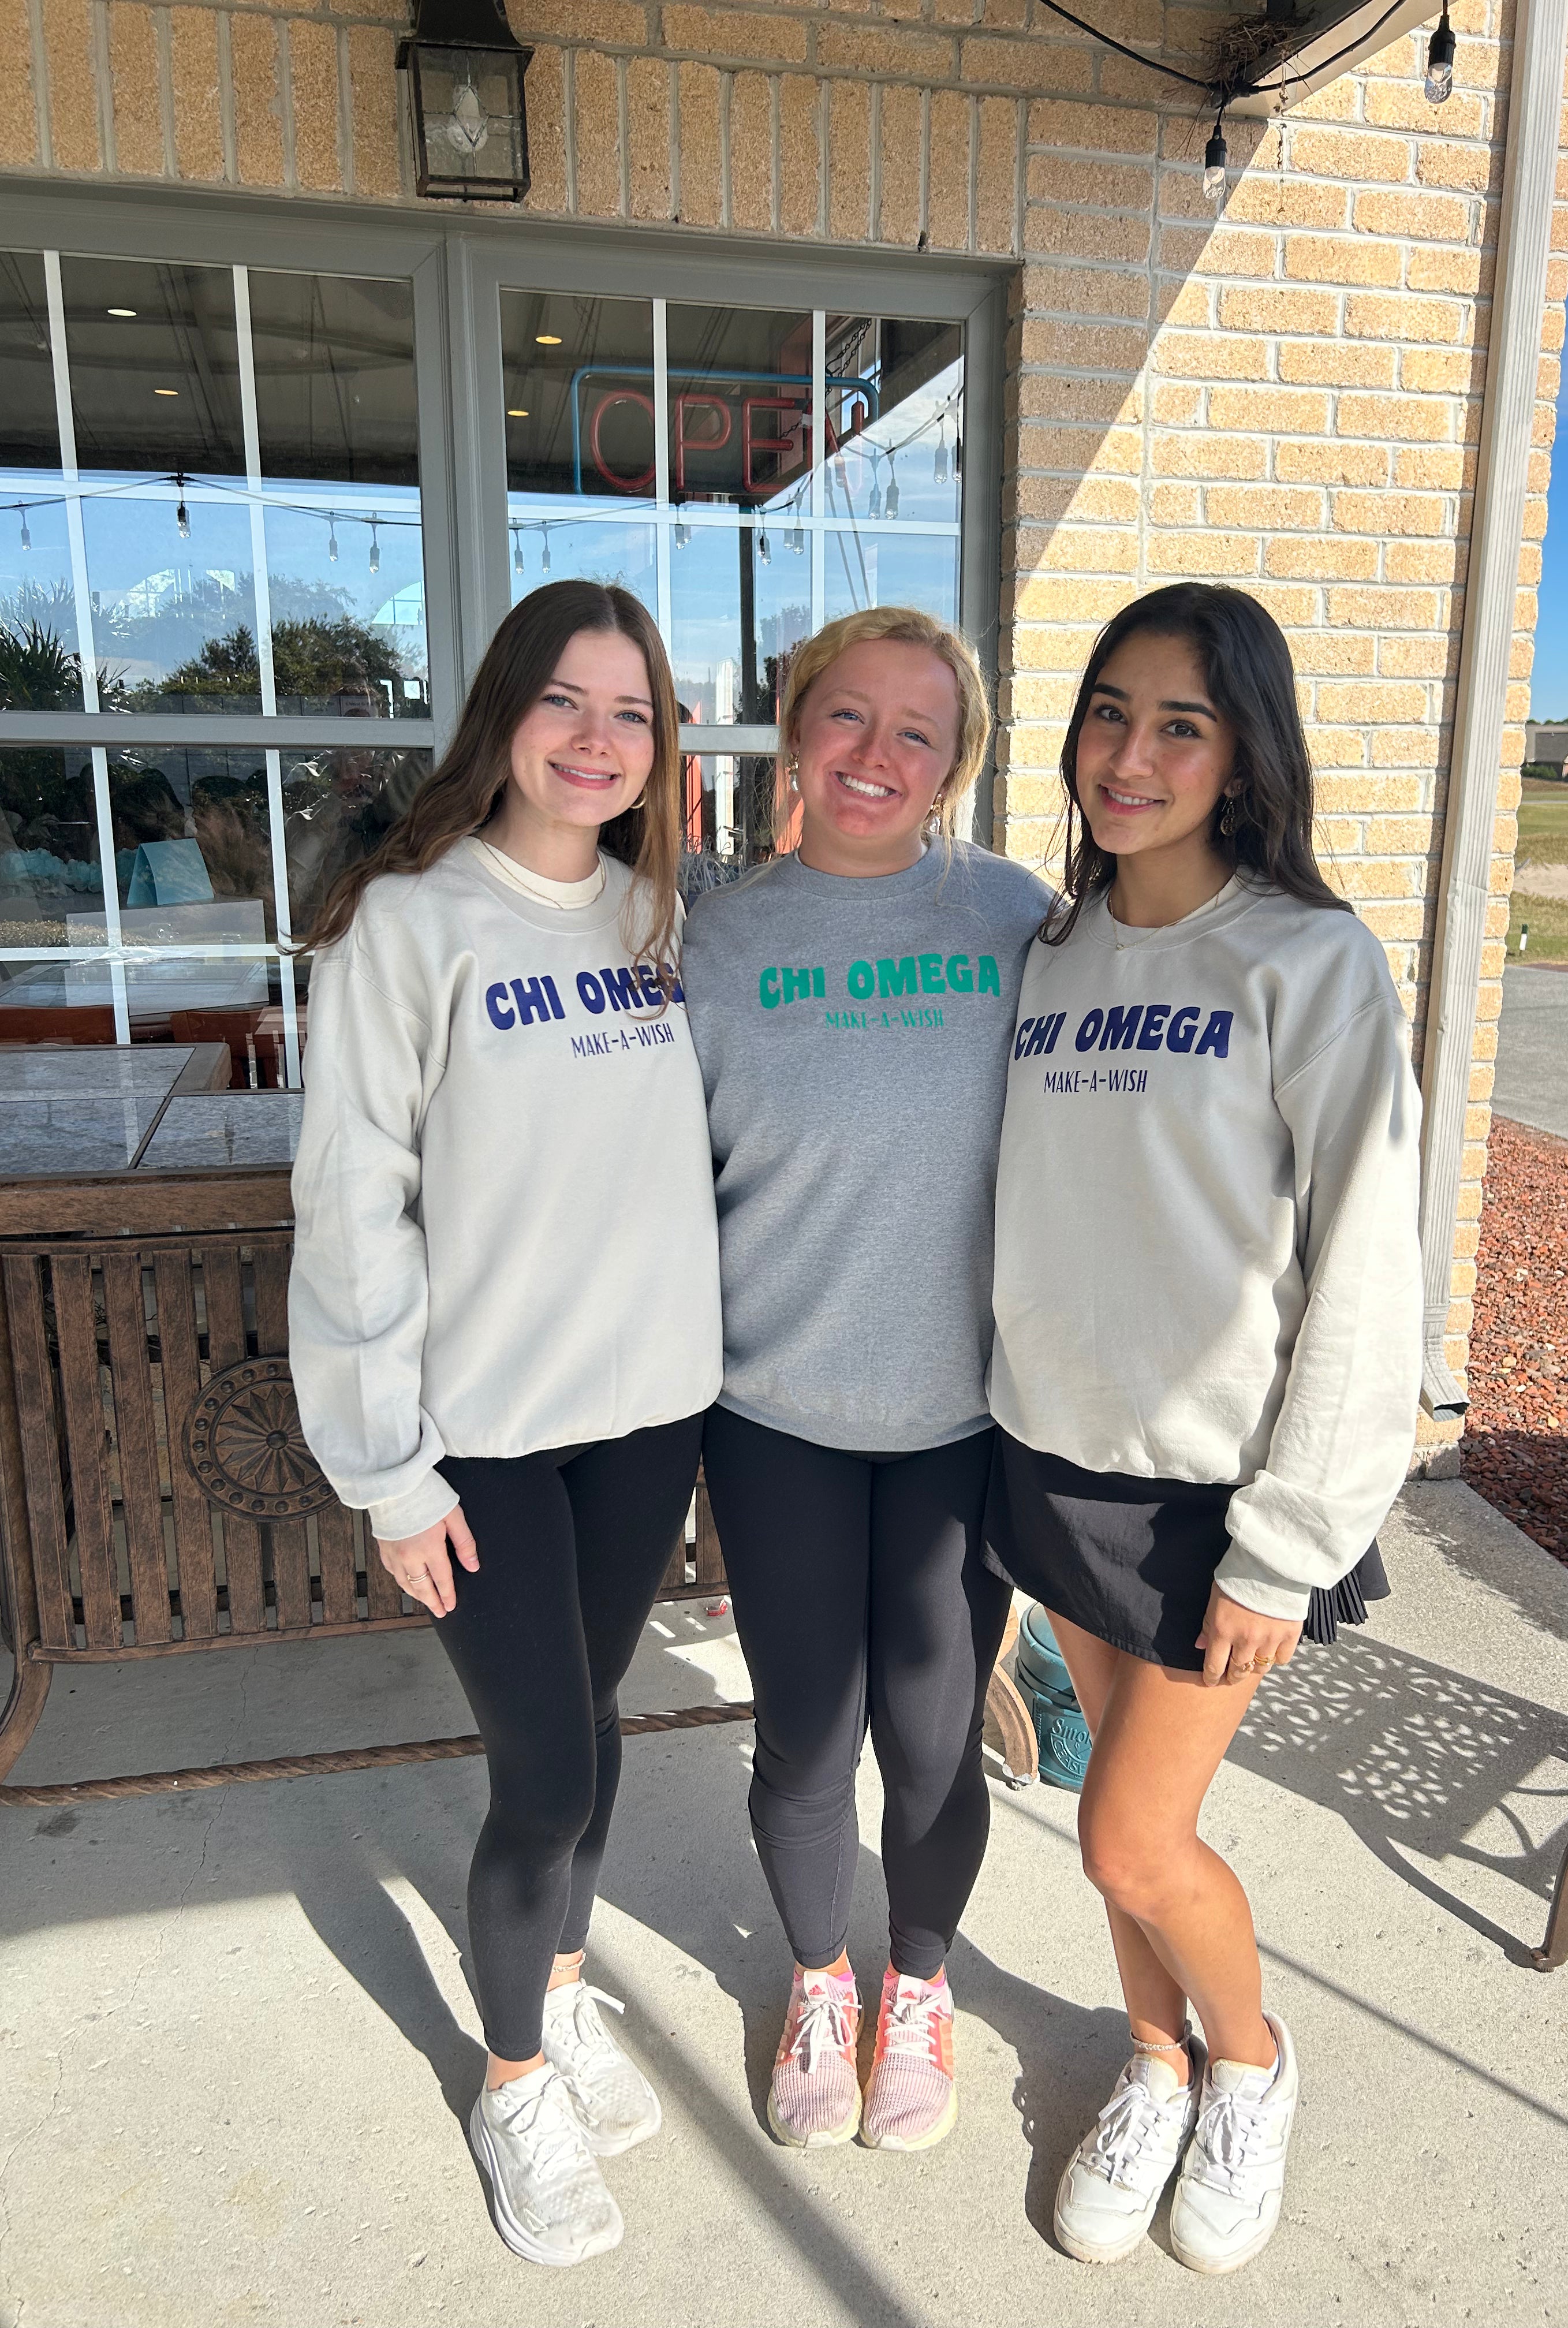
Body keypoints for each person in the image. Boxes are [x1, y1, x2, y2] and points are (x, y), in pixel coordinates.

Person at [984, 583, 1423, 2277]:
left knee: (1129, 1834)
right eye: (1110, 712)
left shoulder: (1310, 960)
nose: (1131, 754)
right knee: (1120, 1834)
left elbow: (1368, 1272)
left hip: (1220, 1499)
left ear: (1244, 755)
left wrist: (1291, 1543)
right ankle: (1153, 2064)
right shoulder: (1053, 954)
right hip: (1057, 1460)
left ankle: (1249, 2064)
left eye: (1180, 724)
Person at [288, 581, 722, 2269]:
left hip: (645, 1419)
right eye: (563, 702)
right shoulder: (411, 925)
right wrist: (387, 1472)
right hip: (481, 1434)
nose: (596, 740)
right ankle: (514, 2079)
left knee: (593, 1732)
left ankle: (556, 1979)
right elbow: (351, 1208)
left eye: (632, 713)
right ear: (503, 717)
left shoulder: (659, 920)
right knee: (543, 1772)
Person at [682, 606, 1050, 2155]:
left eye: (918, 730)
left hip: (963, 1419)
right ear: (794, 731)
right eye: (847, 715)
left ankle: (921, 1982)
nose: (877, 754)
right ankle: (820, 1982)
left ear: (957, 762)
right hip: (774, 1412)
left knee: (933, 1733)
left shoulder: (1018, 918)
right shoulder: (713, 938)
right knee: (804, 1737)